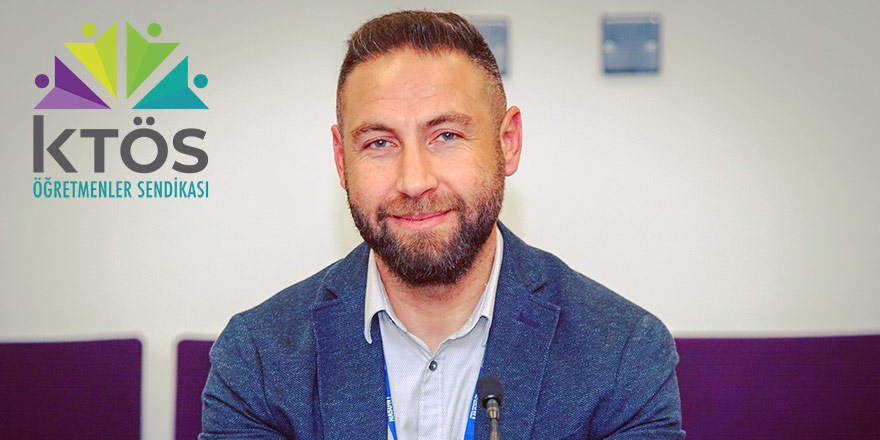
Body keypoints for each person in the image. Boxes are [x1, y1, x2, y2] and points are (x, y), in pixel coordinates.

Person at [200, 10, 684, 440]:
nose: (414, 181)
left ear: (508, 143)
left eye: (446, 135)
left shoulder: (622, 352)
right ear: (342, 160)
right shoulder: (257, 358)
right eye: (379, 143)